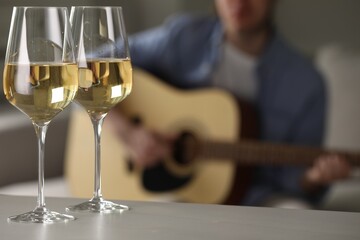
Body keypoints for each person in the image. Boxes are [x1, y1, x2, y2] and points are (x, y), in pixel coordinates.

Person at [108, 0, 351, 207]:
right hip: (181, 191)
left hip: (259, 198)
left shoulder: (307, 83)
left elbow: (295, 180)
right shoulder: (184, 36)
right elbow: (94, 62)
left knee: (299, 216)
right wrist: (128, 134)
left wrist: (314, 178)